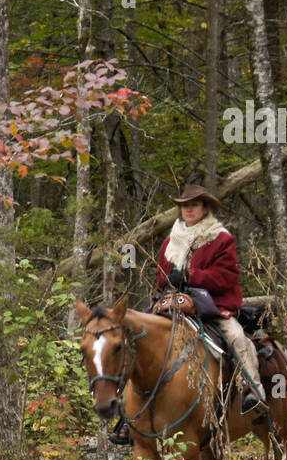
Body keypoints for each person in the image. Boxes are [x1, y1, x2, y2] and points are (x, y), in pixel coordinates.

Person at [110, 184, 265, 445]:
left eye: (193, 205)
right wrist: (168, 285)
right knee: (137, 338)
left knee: (238, 337)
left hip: (213, 307)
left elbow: (226, 277)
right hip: (173, 305)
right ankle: (127, 414)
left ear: (205, 208)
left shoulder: (221, 238)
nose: (188, 209)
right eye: (184, 205)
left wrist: (191, 277)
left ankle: (253, 393)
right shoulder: (171, 241)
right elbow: (161, 276)